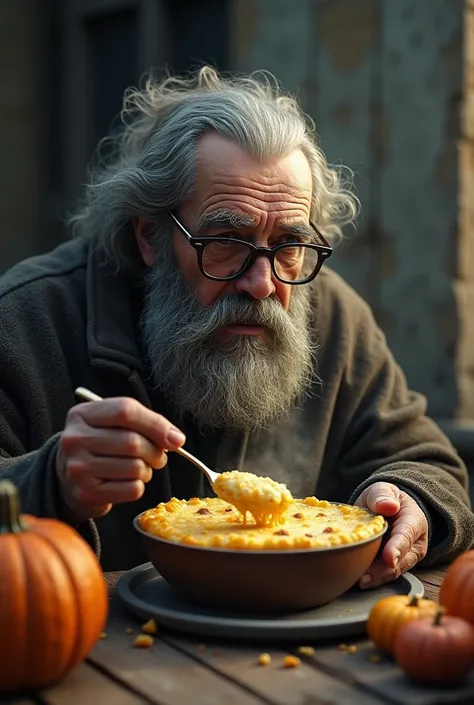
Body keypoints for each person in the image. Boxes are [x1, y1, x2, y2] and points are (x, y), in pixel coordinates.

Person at [0, 66, 472, 581]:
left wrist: (409, 499)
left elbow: (428, 462)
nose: (263, 284)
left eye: (289, 245)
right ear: (149, 237)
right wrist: (51, 481)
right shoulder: (27, 320)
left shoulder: (334, 317)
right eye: (225, 242)